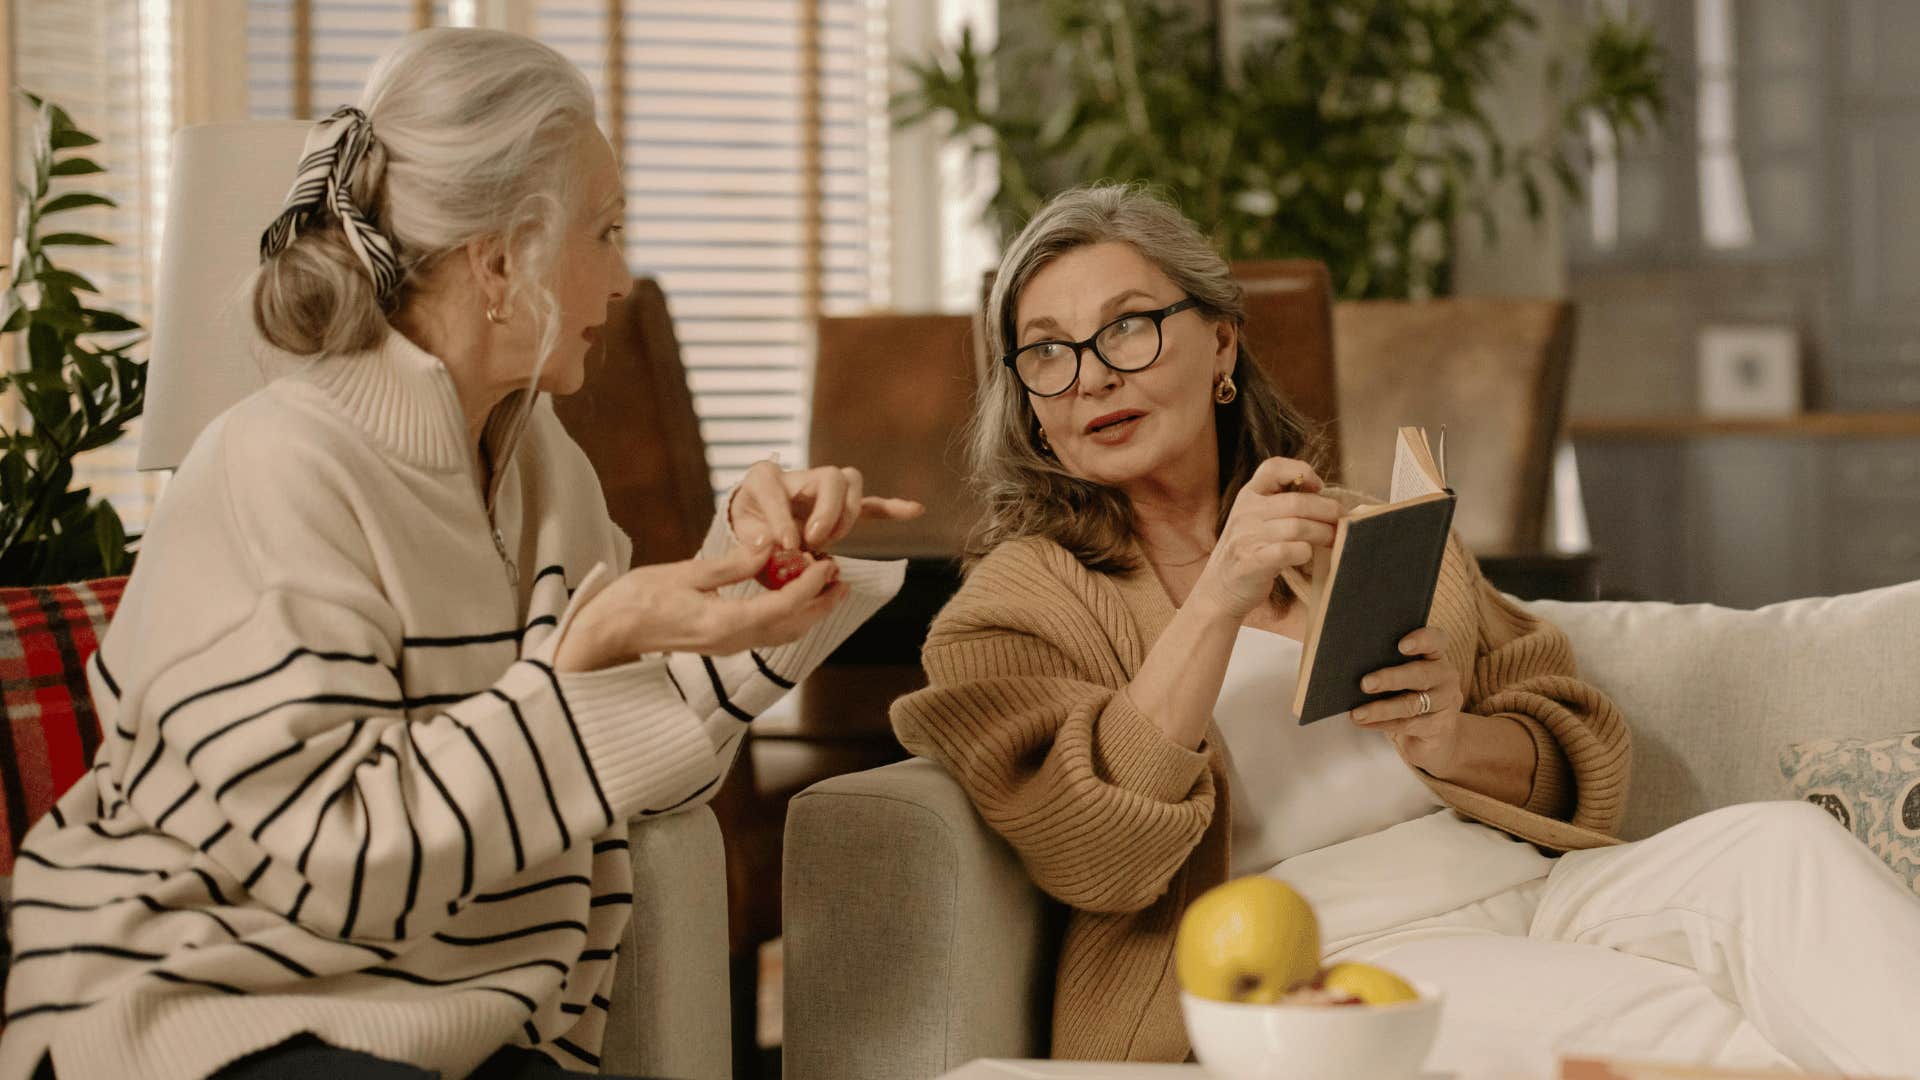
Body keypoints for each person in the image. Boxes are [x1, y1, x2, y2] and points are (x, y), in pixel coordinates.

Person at [0, 28, 919, 1080]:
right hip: (210, 1003)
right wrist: (591, 652)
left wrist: (767, 584)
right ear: (500, 260)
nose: (621, 280)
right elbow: (331, 861)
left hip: (447, 1016)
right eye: (606, 233)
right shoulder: (277, 466)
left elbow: (626, 768)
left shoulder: (542, 469)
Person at [891, 183, 1920, 1078]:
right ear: (1030, 407)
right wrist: (1216, 594)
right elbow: (1090, 852)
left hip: (1535, 883)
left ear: (1220, 347)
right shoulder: (1017, 605)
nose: (1093, 375)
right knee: (1686, 1029)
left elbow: (1570, 738)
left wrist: (1451, 736)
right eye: (1047, 354)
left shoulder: (1362, 533)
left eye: (1126, 327)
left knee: (1781, 849)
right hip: (1327, 949)